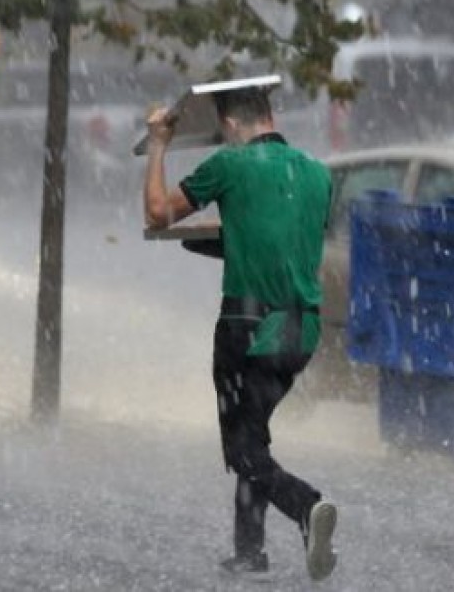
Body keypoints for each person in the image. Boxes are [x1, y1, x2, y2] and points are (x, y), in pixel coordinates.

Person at [143, 85, 338, 582]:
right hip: (301, 330)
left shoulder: (229, 166)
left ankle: (305, 506)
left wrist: (160, 144)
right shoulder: (318, 174)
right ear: (270, 114)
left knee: (242, 449)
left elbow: (158, 212)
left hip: (247, 327)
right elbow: (285, 240)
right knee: (254, 435)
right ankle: (249, 551)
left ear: (229, 125)